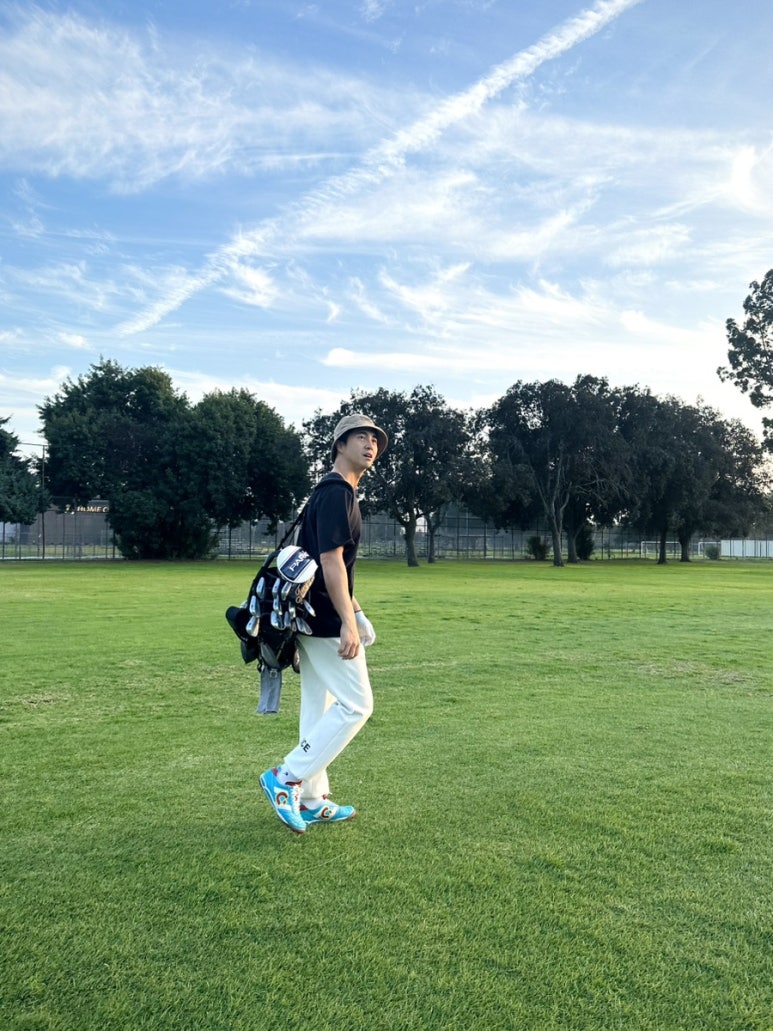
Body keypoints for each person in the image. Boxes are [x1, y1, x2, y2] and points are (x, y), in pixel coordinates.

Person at [259, 413, 388, 833]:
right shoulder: (337, 493)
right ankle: (286, 777)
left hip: (311, 616)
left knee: (320, 706)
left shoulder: (333, 491)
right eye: (360, 437)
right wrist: (348, 622)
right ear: (340, 445)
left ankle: (313, 799)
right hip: (326, 619)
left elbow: (333, 564)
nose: (370, 444)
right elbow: (330, 563)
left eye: (374, 439)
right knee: (357, 705)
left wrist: (358, 611)